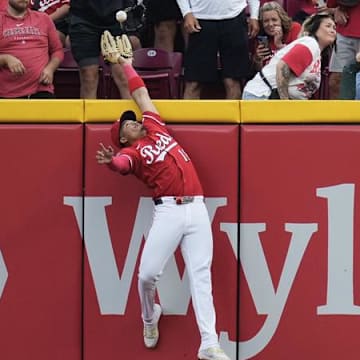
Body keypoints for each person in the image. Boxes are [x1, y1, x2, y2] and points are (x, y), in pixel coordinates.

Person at [96, 31, 231, 360]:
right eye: (127, 124)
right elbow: (123, 164)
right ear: (124, 137)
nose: (133, 121)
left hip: (197, 208)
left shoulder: (155, 126)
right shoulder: (135, 153)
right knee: (146, 275)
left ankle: (209, 343)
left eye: (131, 121)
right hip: (169, 211)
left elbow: (140, 95)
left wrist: (127, 65)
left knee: (200, 275)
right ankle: (148, 315)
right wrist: (111, 162)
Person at [176, 0, 260, 99]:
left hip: (234, 17)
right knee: (194, 83)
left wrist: (254, 16)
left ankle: (231, 115)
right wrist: (186, 13)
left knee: (232, 82)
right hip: (199, 19)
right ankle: (188, 115)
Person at [242, 12, 336, 99]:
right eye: (328, 26)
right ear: (315, 29)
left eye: (334, 28)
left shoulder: (317, 53)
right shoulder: (310, 43)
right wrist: (285, 102)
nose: (332, 30)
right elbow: (283, 66)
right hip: (262, 95)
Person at [68, 0, 142, 99]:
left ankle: (131, 114)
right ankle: (90, 114)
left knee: (123, 75)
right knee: (88, 76)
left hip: (116, 18)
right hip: (83, 18)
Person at [0, 0, 64, 98]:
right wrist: (5, 59)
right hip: (7, 95)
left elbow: (57, 51)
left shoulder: (43, 19)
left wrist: (50, 69)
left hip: (41, 90)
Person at [253, 1, 302, 71]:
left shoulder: (294, 28)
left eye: (274, 20)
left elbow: (298, 61)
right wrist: (258, 60)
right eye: (266, 21)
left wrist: (280, 45)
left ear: (281, 20)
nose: (270, 24)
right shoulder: (261, 37)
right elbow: (260, 72)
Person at [326, 0, 360, 99]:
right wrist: (337, 8)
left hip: (346, 27)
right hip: (346, 29)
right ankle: (339, 114)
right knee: (337, 81)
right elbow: (330, 4)